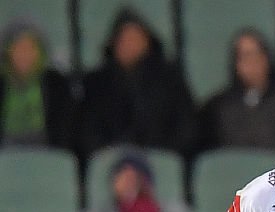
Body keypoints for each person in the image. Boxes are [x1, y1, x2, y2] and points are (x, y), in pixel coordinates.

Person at [78, 8, 197, 158]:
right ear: (114, 44)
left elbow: (186, 129)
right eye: (123, 38)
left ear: (148, 42)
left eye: (135, 38)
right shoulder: (96, 83)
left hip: (161, 162)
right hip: (111, 164)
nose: (129, 44)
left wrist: (159, 155)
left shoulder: (170, 79)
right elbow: (88, 133)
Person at [198, 29, 275, 161]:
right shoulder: (218, 107)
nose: (251, 63)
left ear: (266, 58)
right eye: (243, 57)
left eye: (255, 55)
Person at [0, 18, 73, 148]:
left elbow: (66, 135)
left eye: (30, 48)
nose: (24, 54)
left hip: (47, 158)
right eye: (18, 47)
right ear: (7, 51)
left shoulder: (57, 84)